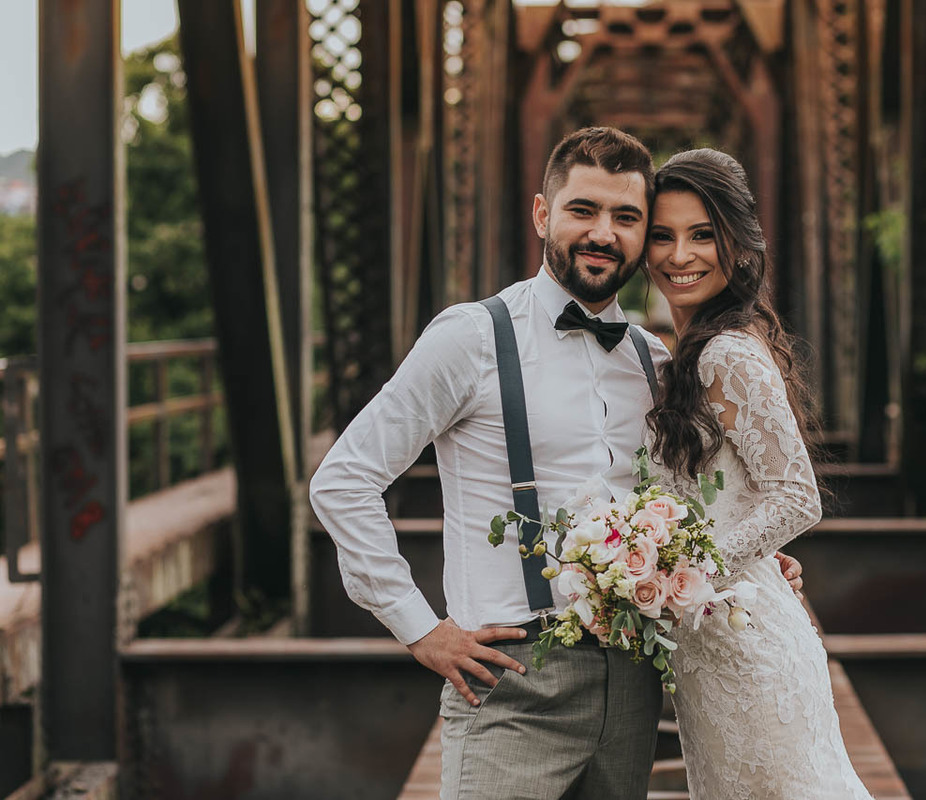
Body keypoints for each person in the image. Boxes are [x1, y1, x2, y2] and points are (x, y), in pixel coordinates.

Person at [310, 128, 803, 800]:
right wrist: (419, 627)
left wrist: (744, 557)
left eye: (627, 218)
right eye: (583, 211)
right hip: (511, 683)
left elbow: (688, 497)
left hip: (633, 679)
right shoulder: (472, 337)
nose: (604, 233)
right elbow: (344, 480)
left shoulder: (655, 364)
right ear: (543, 214)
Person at [643, 148, 874, 799]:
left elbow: (797, 496)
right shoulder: (685, 358)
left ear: (738, 247)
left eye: (702, 235)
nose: (679, 255)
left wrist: (689, 572)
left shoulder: (724, 354)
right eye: (662, 235)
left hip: (747, 651)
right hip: (713, 646)